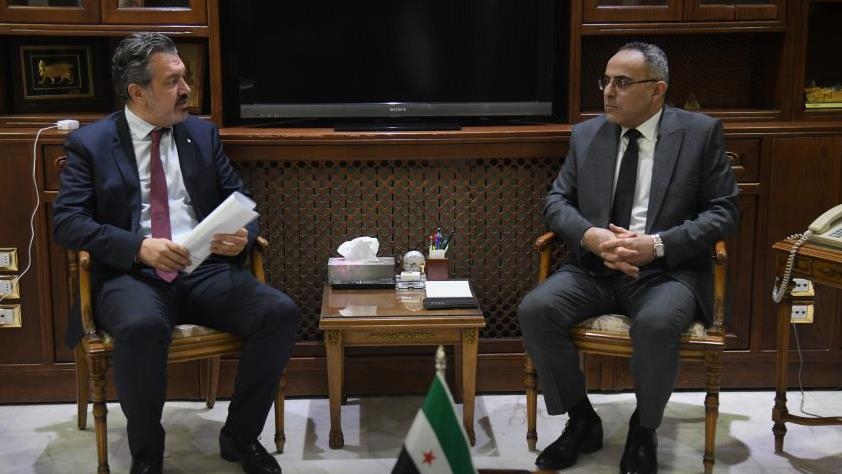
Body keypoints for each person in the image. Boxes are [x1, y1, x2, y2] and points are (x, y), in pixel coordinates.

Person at [53, 32, 299, 474]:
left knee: (278, 313)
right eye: (172, 82)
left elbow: (241, 200)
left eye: (184, 78)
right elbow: (68, 222)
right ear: (138, 92)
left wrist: (241, 235)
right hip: (132, 275)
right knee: (142, 327)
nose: (186, 90)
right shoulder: (91, 144)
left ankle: (240, 436)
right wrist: (138, 247)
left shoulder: (201, 135)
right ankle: (148, 456)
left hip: (204, 269)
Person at [517, 42, 739, 473]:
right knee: (536, 310)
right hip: (593, 269)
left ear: (657, 90)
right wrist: (590, 236)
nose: (608, 92)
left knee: (655, 324)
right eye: (606, 81)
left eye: (622, 82)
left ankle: (643, 429)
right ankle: (582, 420)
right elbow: (556, 201)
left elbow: (724, 211)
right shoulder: (587, 135)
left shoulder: (699, 134)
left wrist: (657, 244)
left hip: (666, 272)